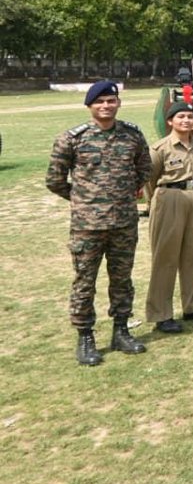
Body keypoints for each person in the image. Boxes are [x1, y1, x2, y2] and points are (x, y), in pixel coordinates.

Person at [46, 80, 151, 366]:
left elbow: (144, 168)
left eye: (111, 101)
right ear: (90, 106)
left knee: (122, 280)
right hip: (87, 226)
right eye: (100, 102)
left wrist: (124, 193)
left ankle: (121, 331)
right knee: (84, 282)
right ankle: (85, 336)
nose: (106, 106)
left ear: (118, 103)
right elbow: (54, 180)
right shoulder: (71, 139)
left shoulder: (132, 135)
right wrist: (83, 199)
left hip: (123, 223)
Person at [145, 90, 193, 334]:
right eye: (180, 117)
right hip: (170, 197)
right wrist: (159, 202)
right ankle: (161, 313)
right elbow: (150, 181)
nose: (186, 120)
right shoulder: (160, 148)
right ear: (170, 121)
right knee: (166, 257)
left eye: (190, 117)